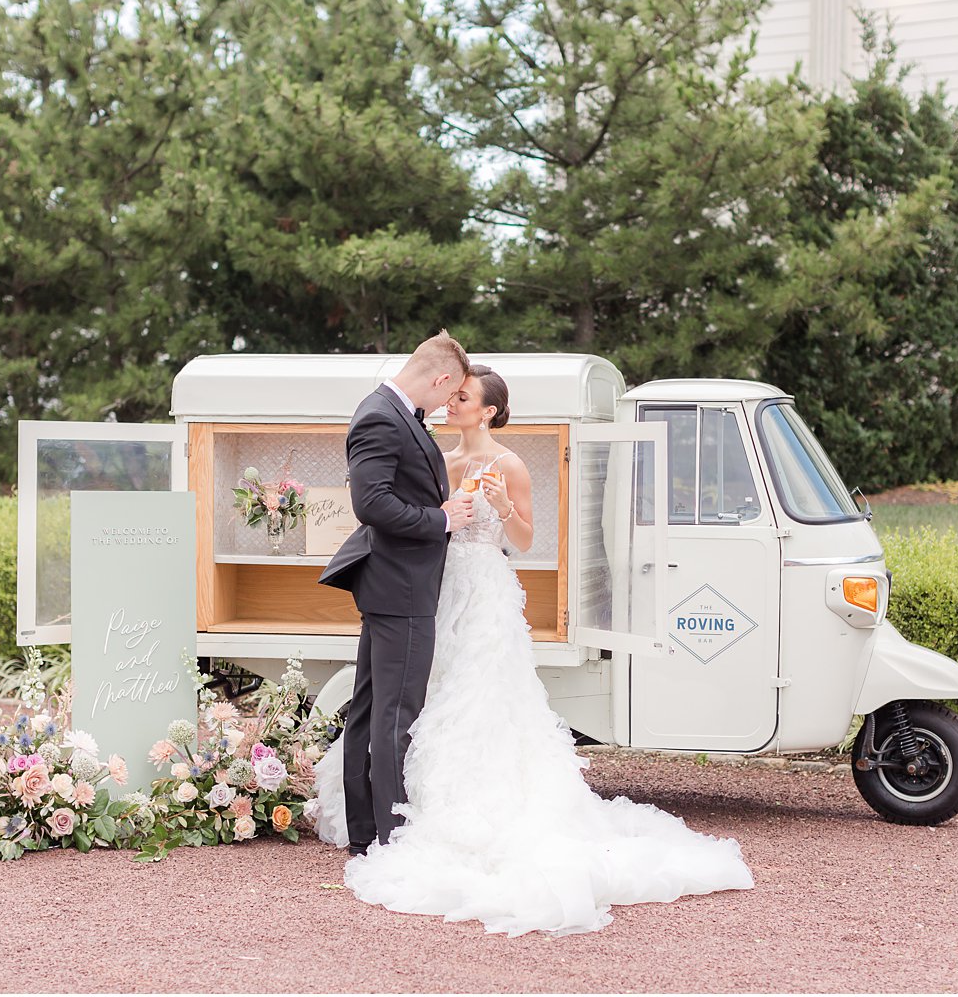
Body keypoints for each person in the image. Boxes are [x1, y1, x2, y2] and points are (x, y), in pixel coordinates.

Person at [314, 364, 754, 937]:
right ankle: (398, 804)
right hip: (436, 587)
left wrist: (500, 506)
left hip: (485, 590)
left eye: (463, 397)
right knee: (424, 694)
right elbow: (427, 522)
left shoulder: (510, 465)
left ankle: (468, 805)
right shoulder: (441, 462)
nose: (451, 402)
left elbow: (523, 540)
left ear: (489, 410)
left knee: (482, 693)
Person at [317, 331, 475, 855]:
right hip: (399, 584)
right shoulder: (382, 415)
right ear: (441, 378)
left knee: (369, 709)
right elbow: (372, 503)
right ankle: (392, 837)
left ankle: (367, 831)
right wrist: (442, 519)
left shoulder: (394, 411)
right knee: (395, 713)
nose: (446, 404)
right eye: (450, 395)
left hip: (396, 583)